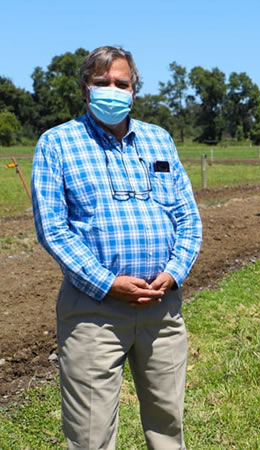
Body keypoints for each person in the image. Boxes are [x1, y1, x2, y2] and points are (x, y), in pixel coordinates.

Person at [32, 46, 202, 449]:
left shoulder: (159, 140)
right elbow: (53, 229)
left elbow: (188, 218)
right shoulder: (57, 143)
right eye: (102, 82)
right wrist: (108, 283)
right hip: (94, 312)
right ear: (85, 89)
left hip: (162, 307)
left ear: (134, 89)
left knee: (168, 425)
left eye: (121, 83)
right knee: (90, 434)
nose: (113, 90)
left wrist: (175, 272)